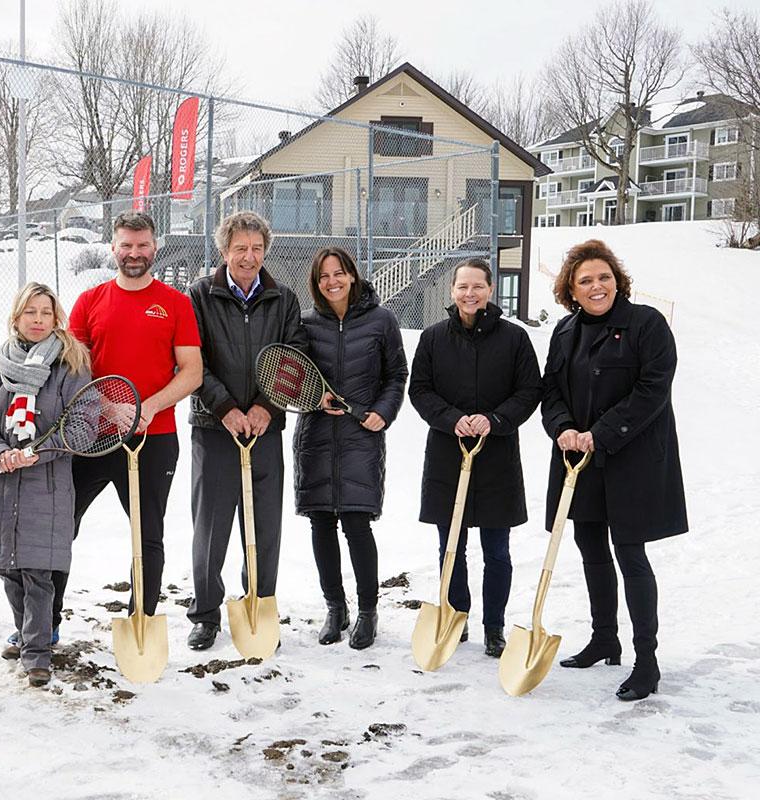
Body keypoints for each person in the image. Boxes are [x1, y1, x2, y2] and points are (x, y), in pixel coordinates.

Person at [22, 211, 201, 649]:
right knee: (61, 526)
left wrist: (147, 407)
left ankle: (141, 621)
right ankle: (47, 622)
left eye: (142, 245)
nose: (134, 253)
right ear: (113, 246)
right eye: (126, 245)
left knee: (147, 532)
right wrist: (108, 404)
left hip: (153, 439)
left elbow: (192, 372)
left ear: (154, 247)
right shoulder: (90, 301)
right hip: (91, 437)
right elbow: (73, 370)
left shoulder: (176, 303)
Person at [541, 239, 686, 701]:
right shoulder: (565, 332)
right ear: (571, 290)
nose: (596, 286)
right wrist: (563, 427)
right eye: (586, 280)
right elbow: (551, 393)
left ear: (617, 281)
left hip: (631, 460)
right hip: (579, 461)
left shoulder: (647, 324)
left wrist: (599, 433)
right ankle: (605, 637)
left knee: (630, 553)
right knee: (589, 547)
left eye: (604, 277)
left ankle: (647, 660)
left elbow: (652, 389)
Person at [185, 211, 308, 651]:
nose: (249, 257)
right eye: (240, 249)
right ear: (224, 251)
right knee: (211, 527)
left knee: (264, 529)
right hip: (214, 429)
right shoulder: (200, 295)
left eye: (257, 249)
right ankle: (205, 614)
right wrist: (225, 409)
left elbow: (294, 358)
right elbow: (193, 360)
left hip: (264, 431)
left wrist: (264, 407)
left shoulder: (284, 298)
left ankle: (260, 604)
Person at [409, 258, 542, 658]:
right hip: (448, 456)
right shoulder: (433, 338)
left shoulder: (514, 338)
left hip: (496, 457)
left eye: (478, 286)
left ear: (490, 289)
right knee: (451, 547)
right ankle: (457, 615)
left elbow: (529, 390)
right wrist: (453, 420)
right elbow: (421, 390)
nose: (470, 294)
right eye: (462, 287)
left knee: (497, 550)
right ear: (452, 291)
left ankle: (495, 625)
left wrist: (494, 420)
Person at [0, 283, 90, 688]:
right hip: (4, 483)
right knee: (9, 567)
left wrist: (43, 450)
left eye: (46, 312)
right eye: (30, 312)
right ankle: (25, 635)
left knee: (38, 570)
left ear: (57, 318)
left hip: (48, 482)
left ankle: (38, 652)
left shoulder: (71, 364)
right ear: (17, 317)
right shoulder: (0, 362)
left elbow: (82, 423)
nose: (38, 320)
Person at [294, 248, 407, 650]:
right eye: (324, 276)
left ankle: (368, 611)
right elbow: (293, 377)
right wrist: (315, 398)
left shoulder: (381, 320)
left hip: (362, 433)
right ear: (316, 282)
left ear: (352, 276)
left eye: (339, 273)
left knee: (357, 523)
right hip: (317, 436)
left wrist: (382, 411)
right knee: (321, 522)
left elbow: (397, 374)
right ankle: (335, 608)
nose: (332, 282)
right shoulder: (305, 323)